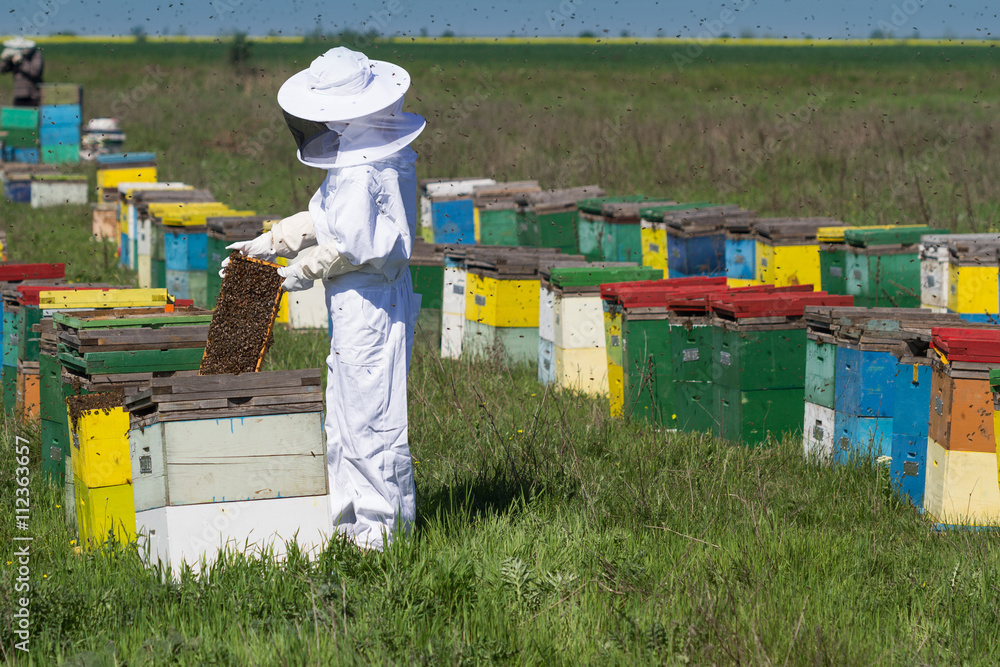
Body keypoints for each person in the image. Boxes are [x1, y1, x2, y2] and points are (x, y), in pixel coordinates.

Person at [223, 47, 425, 551]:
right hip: (354, 301)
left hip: (372, 302)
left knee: (372, 421)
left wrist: (297, 271)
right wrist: (268, 243)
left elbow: (351, 247)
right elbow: (325, 219)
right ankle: (350, 524)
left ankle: (383, 537)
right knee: (343, 415)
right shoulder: (359, 152)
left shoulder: (371, 165)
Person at [0, 38, 44, 107]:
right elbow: (2, 70)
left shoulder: (35, 55)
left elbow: (35, 72)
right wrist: (6, 60)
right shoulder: (14, 57)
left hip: (33, 95)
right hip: (18, 95)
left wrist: (21, 62)